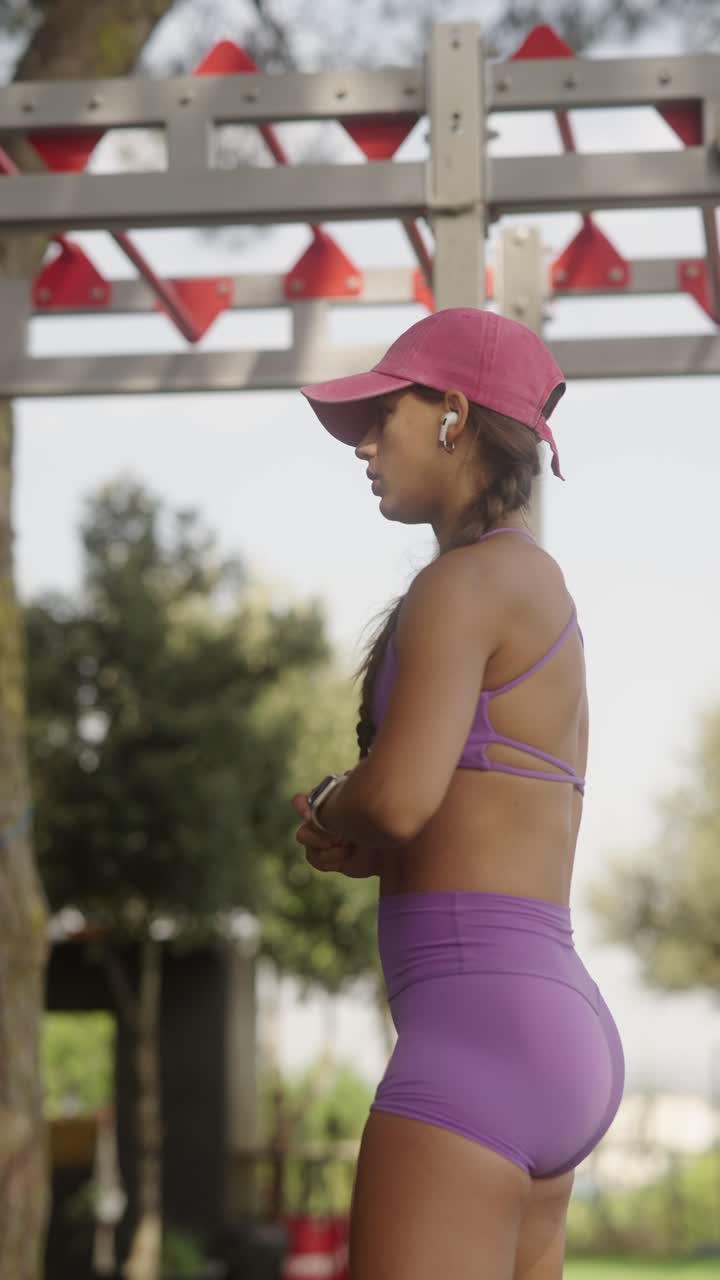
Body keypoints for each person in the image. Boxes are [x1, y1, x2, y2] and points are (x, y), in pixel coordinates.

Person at [291, 307, 625, 1280]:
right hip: (554, 1024)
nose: (363, 443)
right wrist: (370, 835)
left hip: (476, 1031)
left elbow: (398, 798)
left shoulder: (462, 586)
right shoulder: (545, 597)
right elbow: (471, 803)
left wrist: (330, 803)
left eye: (380, 415)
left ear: (452, 412)